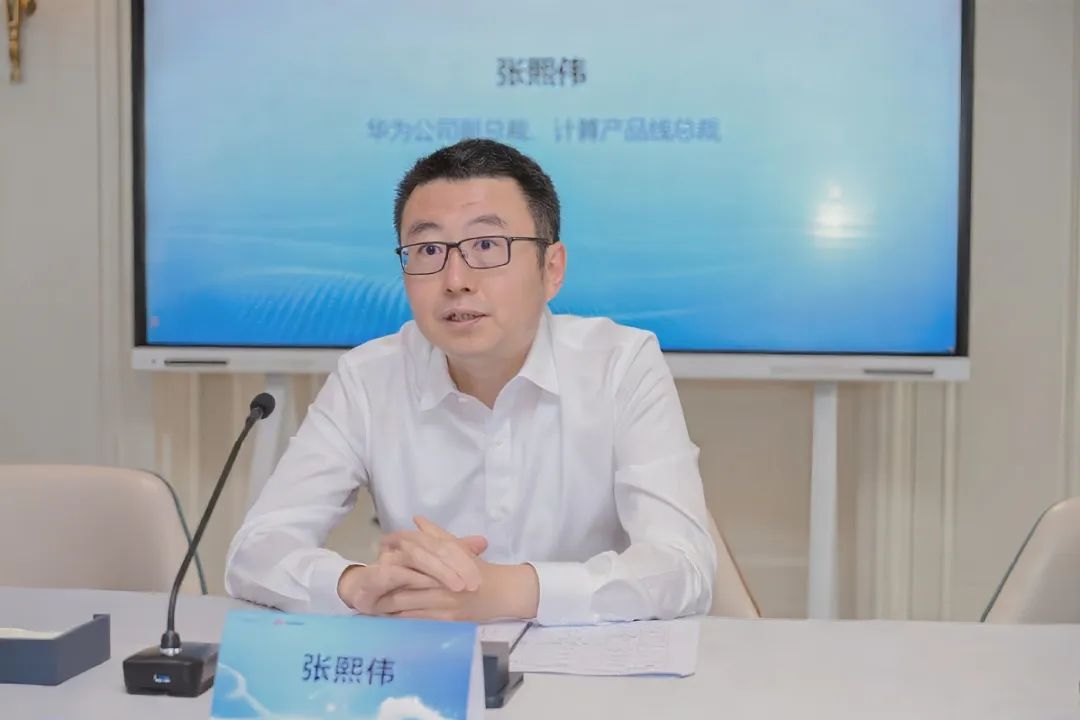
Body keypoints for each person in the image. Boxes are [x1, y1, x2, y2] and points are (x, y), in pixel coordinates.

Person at [225, 138, 717, 625]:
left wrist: (510, 591)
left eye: (486, 245)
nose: (455, 279)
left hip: (590, 669)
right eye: (428, 249)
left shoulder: (620, 364)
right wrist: (356, 585)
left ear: (552, 269)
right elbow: (255, 549)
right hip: (426, 666)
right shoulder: (368, 377)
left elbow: (683, 566)